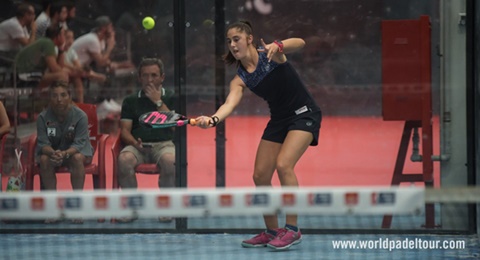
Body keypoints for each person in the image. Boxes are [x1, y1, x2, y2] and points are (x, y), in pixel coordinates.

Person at [195, 21, 322, 250]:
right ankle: (272, 230)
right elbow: (229, 104)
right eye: (229, 41)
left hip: (304, 113)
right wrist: (212, 119)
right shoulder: (240, 78)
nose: (233, 45)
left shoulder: (271, 54)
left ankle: (292, 229)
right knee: (260, 176)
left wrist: (279, 45)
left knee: (284, 165)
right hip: (279, 120)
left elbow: (300, 42)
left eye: (237, 39)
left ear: (249, 38)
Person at [117, 58, 175, 222]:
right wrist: (136, 144)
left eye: (154, 75)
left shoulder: (171, 97)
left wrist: (158, 101)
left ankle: (166, 206)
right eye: (145, 75)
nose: (149, 80)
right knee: (124, 159)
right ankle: (131, 207)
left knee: (170, 161)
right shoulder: (130, 101)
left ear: (162, 77)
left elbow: (175, 126)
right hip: (137, 145)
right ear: (139, 78)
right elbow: (125, 132)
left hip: (165, 144)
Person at [35, 81, 93, 192]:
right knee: (44, 159)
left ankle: (77, 198)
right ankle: (51, 200)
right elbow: (43, 144)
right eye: (54, 96)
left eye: (63, 95)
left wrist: (64, 154)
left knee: (77, 158)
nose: (59, 100)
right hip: (53, 154)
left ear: (70, 96)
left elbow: (79, 144)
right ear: (49, 98)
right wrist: (54, 153)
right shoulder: (42, 118)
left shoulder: (81, 116)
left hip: (76, 153)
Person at [15, 24, 69, 90]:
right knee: (62, 76)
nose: (65, 37)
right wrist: (64, 72)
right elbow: (54, 68)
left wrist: (61, 50)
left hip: (28, 73)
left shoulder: (47, 42)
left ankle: (52, 98)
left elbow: (60, 66)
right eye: (63, 34)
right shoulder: (48, 43)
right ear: (58, 36)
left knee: (61, 74)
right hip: (23, 75)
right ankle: (59, 99)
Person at [63, 29, 106, 103]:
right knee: (69, 73)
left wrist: (81, 69)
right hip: (63, 71)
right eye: (67, 38)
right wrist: (76, 69)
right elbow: (62, 63)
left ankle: (81, 104)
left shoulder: (71, 51)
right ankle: (93, 75)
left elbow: (78, 65)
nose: (70, 41)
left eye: (72, 38)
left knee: (77, 77)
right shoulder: (58, 49)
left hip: (73, 73)